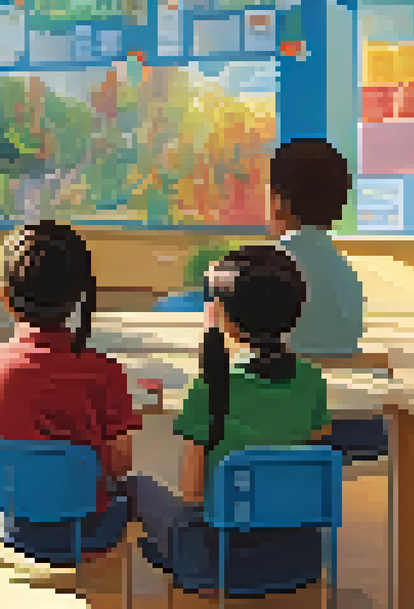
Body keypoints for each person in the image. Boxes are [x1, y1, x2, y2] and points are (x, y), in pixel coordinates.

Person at [126, 246, 332, 597]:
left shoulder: (210, 387)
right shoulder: (312, 381)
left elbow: (192, 493)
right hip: (297, 559)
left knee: (135, 485)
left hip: (220, 562)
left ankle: (173, 563)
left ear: (224, 317)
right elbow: (316, 440)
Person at [0, 221, 138, 566]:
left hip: (12, 527)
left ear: (5, 296)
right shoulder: (105, 370)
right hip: (89, 530)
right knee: (141, 490)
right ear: (78, 296)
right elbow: (120, 465)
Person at [268, 137, 385, 463]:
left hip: (284, 431)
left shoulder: (264, 267)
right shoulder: (347, 274)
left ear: (278, 201)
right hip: (353, 428)